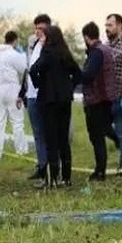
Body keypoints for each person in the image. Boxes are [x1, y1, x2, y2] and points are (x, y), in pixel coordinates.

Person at [29, 26, 81, 188]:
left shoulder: (47, 52)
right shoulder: (65, 53)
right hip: (65, 100)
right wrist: (69, 87)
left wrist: (39, 85)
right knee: (63, 139)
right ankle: (66, 178)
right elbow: (78, 73)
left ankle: (52, 178)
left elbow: (33, 70)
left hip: (48, 100)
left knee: (51, 139)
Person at [80, 22, 116, 181]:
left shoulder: (96, 53)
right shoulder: (107, 49)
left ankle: (100, 171)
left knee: (96, 137)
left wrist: (76, 74)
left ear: (86, 37)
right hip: (107, 98)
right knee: (105, 130)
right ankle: (119, 141)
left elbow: (88, 75)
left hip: (96, 100)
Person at [0, 30, 29, 160]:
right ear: (15, 40)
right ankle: (21, 149)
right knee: (17, 121)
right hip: (11, 89)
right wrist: (22, 54)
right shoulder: (12, 53)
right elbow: (24, 68)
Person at [18, 14, 50, 180]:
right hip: (31, 95)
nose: (38, 31)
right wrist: (21, 93)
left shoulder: (51, 47)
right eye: (36, 28)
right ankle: (41, 165)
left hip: (43, 96)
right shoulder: (34, 45)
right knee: (37, 133)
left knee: (47, 132)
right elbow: (28, 69)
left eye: (41, 28)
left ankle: (51, 166)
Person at [105, 13, 122, 170]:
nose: (107, 28)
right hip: (109, 97)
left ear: (120, 26)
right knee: (104, 127)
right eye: (106, 25)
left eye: (110, 25)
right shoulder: (107, 46)